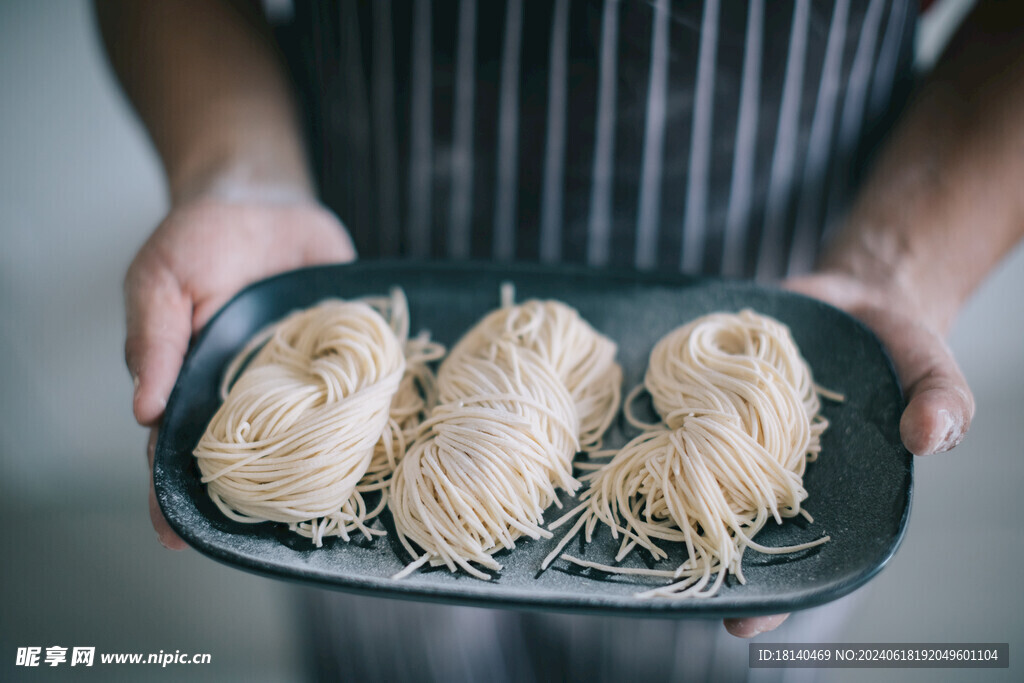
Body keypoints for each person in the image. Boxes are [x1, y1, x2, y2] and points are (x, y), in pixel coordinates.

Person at [97, 0, 1023, 679]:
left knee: (724, 633)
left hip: (789, 290)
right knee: (391, 648)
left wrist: (901, 261)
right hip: (361, 254)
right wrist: (241, 171)